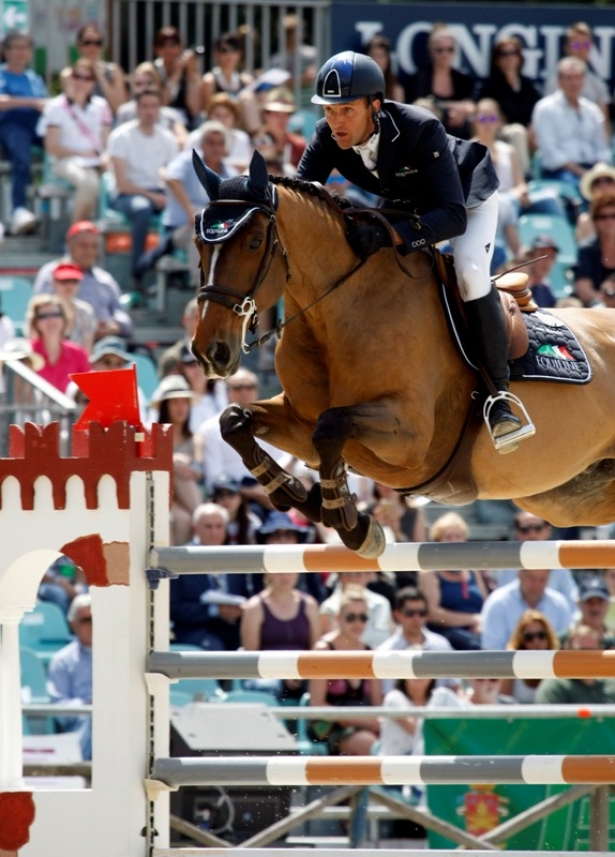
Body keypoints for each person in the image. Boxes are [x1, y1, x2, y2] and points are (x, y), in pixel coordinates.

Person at [297, 50, 534, 453]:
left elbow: (452, 217)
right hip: (408, 202)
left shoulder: (419, 128)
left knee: (470, 272)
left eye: (346, 110)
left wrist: (394, 237)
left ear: (375, 105)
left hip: (465, 199)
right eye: (329, 110)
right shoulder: (326, 135)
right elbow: (300, 193)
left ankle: (501, 398)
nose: (335, 121)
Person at [139, 120, 238, 283]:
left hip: (218, 228)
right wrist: (190, 210)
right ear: (202, 144)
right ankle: (201, 288)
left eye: (220, 143)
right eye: (210, 142)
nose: (215, 148)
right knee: (200, 235)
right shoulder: (188, 161)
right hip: (181, 229)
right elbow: (172, 179)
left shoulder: (230, 173)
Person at [106, 87, 178, 290]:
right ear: (137, 108)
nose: (149, 111)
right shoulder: (121, 136)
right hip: (127, 195)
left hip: (159, 193)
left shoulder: (168, 138)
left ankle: (170, 272)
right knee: (142, 209)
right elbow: (122, 184)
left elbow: (172, 176)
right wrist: (152, 196)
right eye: (145, 106)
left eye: (154, 106)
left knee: (180, 211)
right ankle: (138, 272)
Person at [170, 502, 255, 650]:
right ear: (195, 528)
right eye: (208, 526)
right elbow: (173, 608)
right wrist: (215, 611)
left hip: (235, 632)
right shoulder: (181, 559)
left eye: (219, 526)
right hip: (195, 633)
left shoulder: (236, 559)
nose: (214, 532)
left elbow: (246, 595)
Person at [308, 584, 382, 755]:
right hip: (331, 727)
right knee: (372, 745)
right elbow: (316, 704)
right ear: (339, 618)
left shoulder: (371, 653)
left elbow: (377, 705)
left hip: (365, 727)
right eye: (351, 617)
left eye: (363, 617)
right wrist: (357, 719)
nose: (358, 623)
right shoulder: (323, 650)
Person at [33, 220, 133, 341]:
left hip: (103, 344)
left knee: (114, 347)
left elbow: (120, 313)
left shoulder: (105, 279)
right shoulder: (51, 273)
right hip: (64, 340)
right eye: (83, 245)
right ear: (70, 245)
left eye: (94, 246)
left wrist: (115, 327)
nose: (89, 251)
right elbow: (40, 312)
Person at [41, 58, 112, 223]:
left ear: (93, 83)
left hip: (97, 162)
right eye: (77, 76)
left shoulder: (101, 106)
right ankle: (75, 235)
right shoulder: (56, 106)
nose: (81, 82)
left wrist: (106, 158)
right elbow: (51, 147)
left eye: (87, 78)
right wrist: (81, 153)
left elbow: (106, 141)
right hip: (65, 161)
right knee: (89, 184)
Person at [531, 57, 610, 197]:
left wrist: (598, 172)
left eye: (577, 77)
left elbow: (601, 146)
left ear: (583, 80)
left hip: (593, 171)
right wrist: (583, 174)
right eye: (568, 78)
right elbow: (551, 152)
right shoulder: (545, 109)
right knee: (578, 190)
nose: (573, 83)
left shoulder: (592, 110)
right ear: (560, 81)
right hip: (561, 172)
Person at [240, 569, 320, 700]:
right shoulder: (255, 607)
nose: (285, 576)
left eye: (289, 571)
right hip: (267, 674)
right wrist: (282, 672)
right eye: (279, 571)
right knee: (269, 688)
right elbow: (252, 655)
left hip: (303, 672)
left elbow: (315, 650)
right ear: (268, 574)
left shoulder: (310, 605)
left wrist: (298, 671)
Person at [0, 30, 48, 235]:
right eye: (16, 47)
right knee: (22, 159)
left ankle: (48, 204)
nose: (21, 52)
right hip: (12, 124)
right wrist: (31, 102)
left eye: (25, 47)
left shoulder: (34, 78)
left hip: (37, 124)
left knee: (62, 147)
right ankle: (19, 210)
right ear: (5, 51)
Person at [421, 512, 488, 650]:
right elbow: (432, 613)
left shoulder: (472, 572)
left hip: (477, 630)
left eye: (458, 536)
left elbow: (487, 604)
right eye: (448, 537)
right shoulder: (429, 573)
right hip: (445, 634)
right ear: (438, 541)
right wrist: (472, 619)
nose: (453, 541)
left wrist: (480, 623)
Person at [477, 36, 541, 177]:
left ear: (520, 57)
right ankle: (524, 177)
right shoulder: (490, 85)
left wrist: (533, 128)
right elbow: (485, 114)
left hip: (528, 134)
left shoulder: (527, 85)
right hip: (499, 131)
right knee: (517, 132)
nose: (509, 58)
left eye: (513, 53)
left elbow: (536, 112)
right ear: (496, 59)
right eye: (504, 54)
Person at [151, 374, 203, 546]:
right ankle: (201, 517)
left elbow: (198, 471)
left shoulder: (195, 439)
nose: (181, 408)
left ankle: (199, 517)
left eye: (184, 402)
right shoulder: (152, 438)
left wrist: (179, 465)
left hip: (185, 499)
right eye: (175, 402)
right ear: (165, 406)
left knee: (182, 519)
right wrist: (172, 463)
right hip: (160, 496)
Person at [377, 586, 456, 696]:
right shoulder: (385, 651)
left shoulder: (442, 645)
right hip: (399, 711)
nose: (416, 618)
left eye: (422, 613)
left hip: (438, 711)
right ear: (397, 615)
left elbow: (455, 688)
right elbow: (384, 698)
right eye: (410, 613)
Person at [403, 24, 476, 139]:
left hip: (460, 129)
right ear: (431, 51)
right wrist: (449, 108)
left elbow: (472, 104)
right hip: (431, 133)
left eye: (449, 49)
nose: (445, 54)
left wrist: (463, 109)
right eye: (439, 50)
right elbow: (417, 106)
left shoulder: (463, 79)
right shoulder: (419, 78)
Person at [496, 511, 578, 608]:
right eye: (525, 529)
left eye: (537, 528)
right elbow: (504, 603)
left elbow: (571, 603)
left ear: (548, 530)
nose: (532, 534)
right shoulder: (508, 564)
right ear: (518, 533)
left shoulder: (558, 560)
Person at [545, 22, 611, 141]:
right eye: (576, 45)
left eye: (585, 45)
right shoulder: (554, 83)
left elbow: (604, 126)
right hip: (561, 142)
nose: (581, 50)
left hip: (590, 146)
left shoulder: (598, 85)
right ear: (566, 48)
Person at [47, 592, 93, 760]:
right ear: (74, 625)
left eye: (97, 619)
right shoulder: (62, 660)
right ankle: (79, 772)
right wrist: (87, 705)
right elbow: (59, 709)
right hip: (78, 726)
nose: (93, 625)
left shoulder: (120, 656)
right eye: (86, 620)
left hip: (116, 718)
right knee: (92, 717)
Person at [481, 569, 573, 650]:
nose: (536, 585)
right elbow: (492, 650)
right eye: (531, 578)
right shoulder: (497, 603)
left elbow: (565, 647)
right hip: (510, 668)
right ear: (520, 574)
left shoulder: (560, 604)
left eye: (542, 579)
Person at [535, 624, 615, 705]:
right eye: (580, 650)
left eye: (591, 651)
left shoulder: (611, 686)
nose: (586, 657)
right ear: (567, 651)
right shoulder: (554, 688)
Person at [26, 294, 90, 393]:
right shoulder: (27, 352)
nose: (51, 320)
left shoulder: (79, 354)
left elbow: (87, 392)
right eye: (43, 316)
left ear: (64, 319)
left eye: (55, 314)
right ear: (35, 322)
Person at [115, 62, 188, 148]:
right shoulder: (125, 111)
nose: (144, 88)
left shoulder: (171, 115)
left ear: (158, 85)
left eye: (149, 83)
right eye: (139, 84)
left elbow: (183, 140)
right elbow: (120, 141)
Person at [320, 570, 393, 648]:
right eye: (348, 574)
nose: (353, 578)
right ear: (339, 577)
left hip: (378, 658)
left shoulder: (382, 604)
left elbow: (390, 636)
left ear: (369, 575)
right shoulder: (327, 608)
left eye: (358, 574)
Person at [500, 609, 559, 703]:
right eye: (529, 637)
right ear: (521, 641)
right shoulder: (511, 663)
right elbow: (503, 700)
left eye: (541, 635)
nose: (536, 642)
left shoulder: (557, 662)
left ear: (548, 637)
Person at [152, 26, 202, 129]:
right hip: (158, 122)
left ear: (181, 47)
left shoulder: (189, 69)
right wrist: (177, 73)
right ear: (156, 49)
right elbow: (163, 102)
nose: (168, 49)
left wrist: (190, 73)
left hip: (186, 124)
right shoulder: (152, 70)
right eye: (163, 45)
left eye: (173, 45)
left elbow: (195, 109)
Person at [74, 23, 126, 115]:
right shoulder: (71, 73)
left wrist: (98, 73)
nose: (92, 47)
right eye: (87, 42)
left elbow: (119, 108)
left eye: (97, 43)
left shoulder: (113, 70)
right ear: (79, 45)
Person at [573, 191, 615, 306]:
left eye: (613, 216)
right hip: (595, 307)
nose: (609, 221)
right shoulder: (586, 249)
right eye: (603, 217)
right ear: (595, 221)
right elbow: (583, 289)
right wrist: (605, 302)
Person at [252, 87, 306, 173]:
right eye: (276, 114)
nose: (281, 119)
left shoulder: (299, 144)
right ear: (266, 115)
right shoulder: (255, 142)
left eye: (286, 114)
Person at [200, 33, 253, 114]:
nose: (229, 55)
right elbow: (208, 110)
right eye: (224, 51)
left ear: (240, 54)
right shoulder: (210, 81)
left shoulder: (246, 80)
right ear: (216, 54)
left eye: (234, 50)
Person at [50, 262, 96, 353]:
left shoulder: (86, 311)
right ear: (54, 282)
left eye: (74, 282)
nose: (69, 286)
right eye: (64, 281)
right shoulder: (44, 310)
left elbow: (86, 350)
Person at [560, 576, 615, 649]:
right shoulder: (562, 641)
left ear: (608, 604)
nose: (595, 607)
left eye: (600, 601)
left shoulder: (612, 642)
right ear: (579, 604)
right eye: (589, 601)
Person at [211, 474, 260, 545]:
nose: (226, 499)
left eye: (231, 494)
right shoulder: (208, 522)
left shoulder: (252, 521)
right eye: (220, 495)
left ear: (240, 498)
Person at [576, 162, 615, 245]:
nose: (603, 185)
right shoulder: (585, 221)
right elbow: (585, 253)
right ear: (592, 189)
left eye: (608, 180)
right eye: (597, 182)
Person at [522, 237, 559, 309]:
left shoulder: (545, 288)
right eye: (542, 255)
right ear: (530, 256)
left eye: (551, 257)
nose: (547, 262)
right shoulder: (518, 286)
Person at [365, 35, 404, 103]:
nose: (377, 60)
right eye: (374, 56)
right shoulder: (359, 87)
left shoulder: (396, 90)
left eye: (381, 56)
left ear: (388, 59)